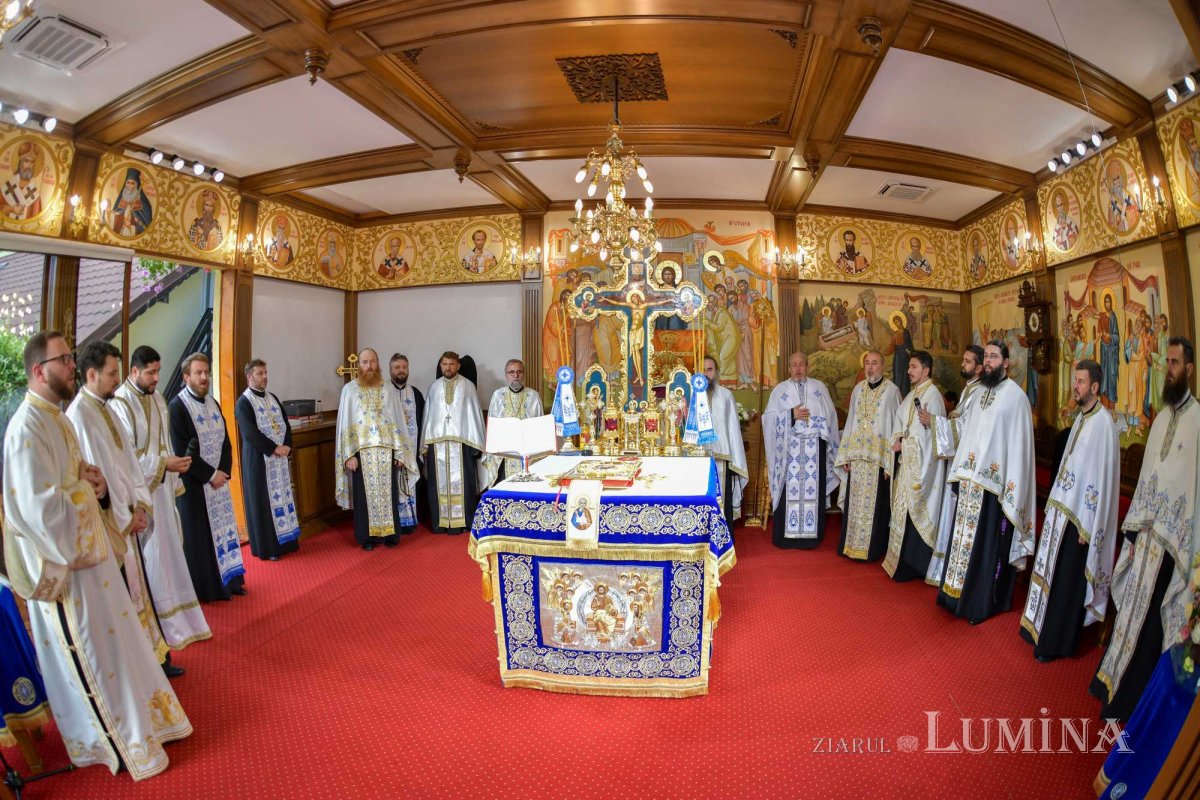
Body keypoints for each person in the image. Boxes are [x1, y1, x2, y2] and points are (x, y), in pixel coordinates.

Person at [2, 330, 191, 780]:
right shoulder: (26, 428)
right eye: (64, 359)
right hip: (68, 568)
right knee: (95, 650)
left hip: (93, 558)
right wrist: (91, 493)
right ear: (38, 370)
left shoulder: (57, 418)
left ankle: (142, 723)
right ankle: (114, 739)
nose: (73, 365)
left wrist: (101, 490)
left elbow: (83, 479)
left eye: (71, 357)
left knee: (118, 644)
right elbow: (39, 512)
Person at [1092, 337, 1198, 720]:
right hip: (1147, 536)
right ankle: (1110, 685)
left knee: (1152, 623)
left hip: (1172, 547)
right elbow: (1148, 479)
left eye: (1175, 362)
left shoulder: (1197, 421)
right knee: (1130, 616)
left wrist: (1173, 535)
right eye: (1166, 361)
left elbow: (1191, 489)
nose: (1168, 369)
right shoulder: (1162, 417)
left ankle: (1133, 702)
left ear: (1189, 369)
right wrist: (1135, 533)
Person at [66, 341, 175, 676]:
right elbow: (97, 479)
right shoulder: (79, 417)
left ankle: (154, 660)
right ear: (91, 374)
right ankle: (139, 668)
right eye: (113, 373)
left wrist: (140, 506)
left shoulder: (108, 409)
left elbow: (129, 465)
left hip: (127, 517)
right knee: (124, 598)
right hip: (110, 526)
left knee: (138, 592)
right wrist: (125, 516)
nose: (118, 379)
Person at [112, 346, 212, 650]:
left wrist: (173, 465)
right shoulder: (120, 403)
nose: (156, 378)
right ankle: (160, 631)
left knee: (170, 557)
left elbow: (164, 443)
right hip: (140, 496)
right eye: (150, 372)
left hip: (163, 489)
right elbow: (125, 457)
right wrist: (163, 464)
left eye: (158, 371)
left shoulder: (157, 398)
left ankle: (180, 622)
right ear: (134, 371)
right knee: (152, 562)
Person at [1021, 359, 1120, 662]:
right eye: (1074, 380)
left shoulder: (1103, 424)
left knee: (1067, 583)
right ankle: (1039, 628)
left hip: (1082, 523)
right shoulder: (1082, 417)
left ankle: (1057, 644)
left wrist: (1089, 525)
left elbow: (1102, 480)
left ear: (1095, 386)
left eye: (1080, 381)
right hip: (1064, 513)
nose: (1074, 386)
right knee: (1054, 573)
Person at [936, 341, 1036, 624]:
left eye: (994, 356)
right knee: (962, 541)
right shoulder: (979, 392)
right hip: (970, 481)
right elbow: (968, 434)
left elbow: (1018, 449)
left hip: (995, 487)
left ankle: (978, 603)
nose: (989, 360)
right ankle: (953, 596)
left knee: (985, 545)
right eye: (987, 356)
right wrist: (960, 473)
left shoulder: (1016, 398)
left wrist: (1009, 486)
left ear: (1006, 362)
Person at [168, 352, 246, 601]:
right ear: (186, 377)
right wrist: (211, 475)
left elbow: (226, 441)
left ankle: (231, 582)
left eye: (206, 372)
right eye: (198, 373)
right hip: (195, 486)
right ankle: (210, 590)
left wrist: (223, 472)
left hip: (218, 483)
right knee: (201, 539)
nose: (204, 377)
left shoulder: (213, 403)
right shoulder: (177, 407)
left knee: (224, 530)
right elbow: (182, 450)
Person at [335, 348, 417, 549]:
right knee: (364, 498)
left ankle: (390, 535)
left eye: (372, 361)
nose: (369, 366)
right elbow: (345, 425)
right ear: (359, 365)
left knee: (389, 495)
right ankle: (367, 538)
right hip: (361, 453)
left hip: (386, 451)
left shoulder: (388, 389)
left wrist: (400, 453)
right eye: (364, 362)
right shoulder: (350, 390)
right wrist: (349, 455)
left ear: (378, 363)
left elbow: (398, 422)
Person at [763, 352, 840, 549]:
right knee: (788, 492)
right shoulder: (780, 390)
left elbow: (830, 417)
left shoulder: (819, 388)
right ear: (789, 368)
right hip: (789, 453)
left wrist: (816, 424)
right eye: (794, 365)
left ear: (807, 366)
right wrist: (791, 414)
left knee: (813, 492)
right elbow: (768, 419)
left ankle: (810, 538)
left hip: (815, 450)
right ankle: (786, 538)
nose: (798, 369)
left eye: (801, 364)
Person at [882, 351, 947, 581]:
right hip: (907, 465)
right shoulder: (912, 395)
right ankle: (901, 563)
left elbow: (933, 438)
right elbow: (901, 424)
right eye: (909, 367)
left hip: (922, 468)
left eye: (914, 367)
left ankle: (915, 566)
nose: (909, 371)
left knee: (916, 514)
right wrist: (898, 439)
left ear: (926, 370)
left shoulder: (933, 396)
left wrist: (906, 443)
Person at [924, 345, 985, 586]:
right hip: (956, 462)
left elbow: (966, 429)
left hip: (966, 465)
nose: (962, 364)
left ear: (979, 367)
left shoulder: (980, 393)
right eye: (963, 359)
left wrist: (934, 421)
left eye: (968, 361)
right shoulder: (969, 389)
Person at [834, 350, 900, 562]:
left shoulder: (892, 391)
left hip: (878, 459)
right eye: (867, 363)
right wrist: (846, 455)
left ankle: (872, 550)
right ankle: (851, 546)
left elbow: (895, 428)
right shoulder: (858, 389)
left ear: (883, 366)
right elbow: (851, 421)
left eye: (874, 363)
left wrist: (890, 463)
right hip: (857, 458)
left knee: (877, 506)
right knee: (855, 505)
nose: (870, 367)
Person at [234, 359, 300, 561]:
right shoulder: (243, 402)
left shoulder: (272, 398)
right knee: (264, 503)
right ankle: (269, 547)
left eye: (266, 373)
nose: (265, 377)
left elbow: (285, 424)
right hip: (259, 461)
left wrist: (287, 445)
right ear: (249, 377)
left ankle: (287, 542)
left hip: (279, 460)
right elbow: (250, 433)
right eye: (260, 373)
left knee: (283, 498)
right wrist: (274, 448)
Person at [422, 351, 486, 532]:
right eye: (444, 364)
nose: (448, 367)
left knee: (464, 484)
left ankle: (463, 522)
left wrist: (477, 443)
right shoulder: (433, 387)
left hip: (462, 443)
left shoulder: (468, 386)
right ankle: (440, 522)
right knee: (437, 485)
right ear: (440, 366)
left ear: (458, 365)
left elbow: (474, 415)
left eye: (451, 364)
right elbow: (428, 416)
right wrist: (424, 445)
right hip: (437, 443)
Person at [481, 359, 543, 486]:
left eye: (519, 372)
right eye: (512, 372)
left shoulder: (534, 396)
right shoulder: (498, 395)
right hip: (504, 453)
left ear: (524, 374)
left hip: (527, 453)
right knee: (504, 488)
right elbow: (492, 426)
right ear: (506, 375)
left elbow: (540, 427)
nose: (516, 375)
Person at [702, 357, 748, 527]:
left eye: (710, 369)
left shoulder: (726, 395)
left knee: (722, 502)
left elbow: (733, 429)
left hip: (721, 458)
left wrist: (735, 456)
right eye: (702, 370)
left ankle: (723, 537)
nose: (706, 374)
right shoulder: (691, 395)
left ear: (716, 373)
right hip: (697, 459)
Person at [390, 353, 425, 531]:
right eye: (397, 367)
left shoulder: (416, 393)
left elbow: (423, 421)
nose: (401, 371)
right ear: (390, 370)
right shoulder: (384, 392)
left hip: (412, 451)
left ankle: (410, 522)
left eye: (404, 367)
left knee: (411, 485)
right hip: (391, 453)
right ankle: (394, 524)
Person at [109, 167, 153, 237]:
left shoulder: (145, 204)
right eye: (128, 183)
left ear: (136, 185)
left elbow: (146, 228)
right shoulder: (120, 200)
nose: (129, 186)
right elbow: (114, 218)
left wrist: (132, 225)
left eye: (132, 183)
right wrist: (110, 214)